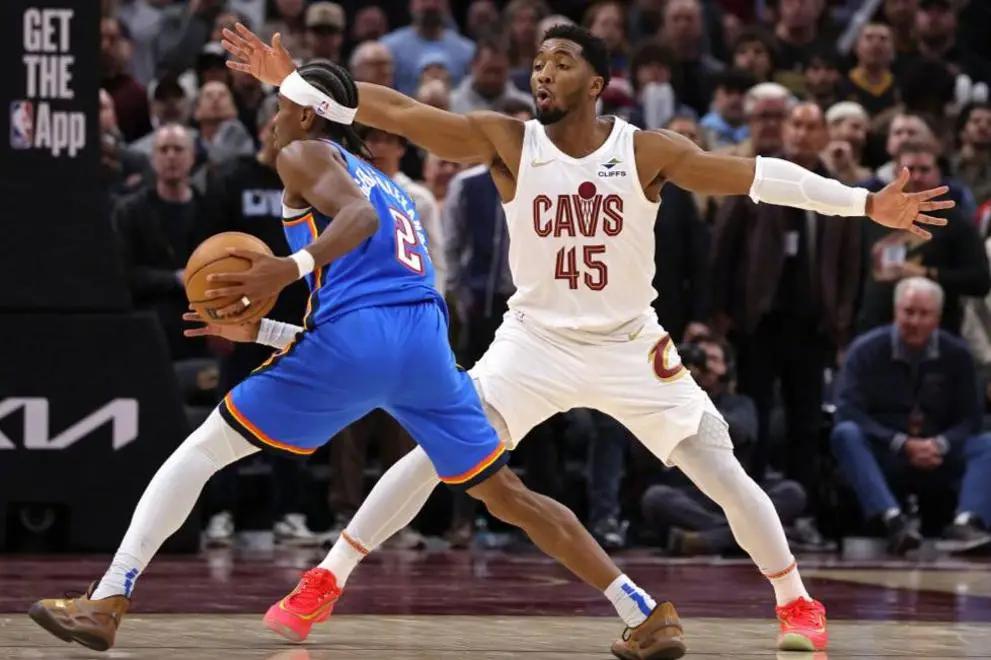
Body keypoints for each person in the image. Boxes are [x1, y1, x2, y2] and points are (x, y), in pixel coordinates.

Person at [220, 22, 952, 655]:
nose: (543, 72)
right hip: (533, 342)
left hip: (629, 343)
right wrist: (298, 84)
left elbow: (755, 177)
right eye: (538, 62)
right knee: (435, 454)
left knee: (721, 472)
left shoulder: (645, 151)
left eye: (562, 62)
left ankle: (795, 601)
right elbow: (402, 113)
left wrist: (864, 204)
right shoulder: (509, 141)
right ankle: (326, 578)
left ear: (597, 83)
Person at [29, 59, 676, 659]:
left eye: (281, 107)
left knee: (200, 453)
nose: (272, 120)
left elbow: (357, 227)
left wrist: (286, 267)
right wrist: (262, 329)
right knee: (508, 494)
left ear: (308, 114)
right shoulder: (389, 183)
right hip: (422, 340)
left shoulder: (304, 153)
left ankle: (108, 599)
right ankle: (643, 611)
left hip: (361, 334)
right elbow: (366, 306)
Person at [832, 278, 991, 555]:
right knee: (845, 433)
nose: (915, 321)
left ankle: (968, 523)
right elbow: (848, 410)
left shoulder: (958, 354)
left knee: (987, 444)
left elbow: (970, 418)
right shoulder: (865, 350)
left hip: (939, 452)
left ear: (937, 318)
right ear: (896, 312)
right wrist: (900, 442)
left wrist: (940, 444)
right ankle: (892, 520)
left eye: (924, 314)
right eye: (908, 312)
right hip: (886, 450)